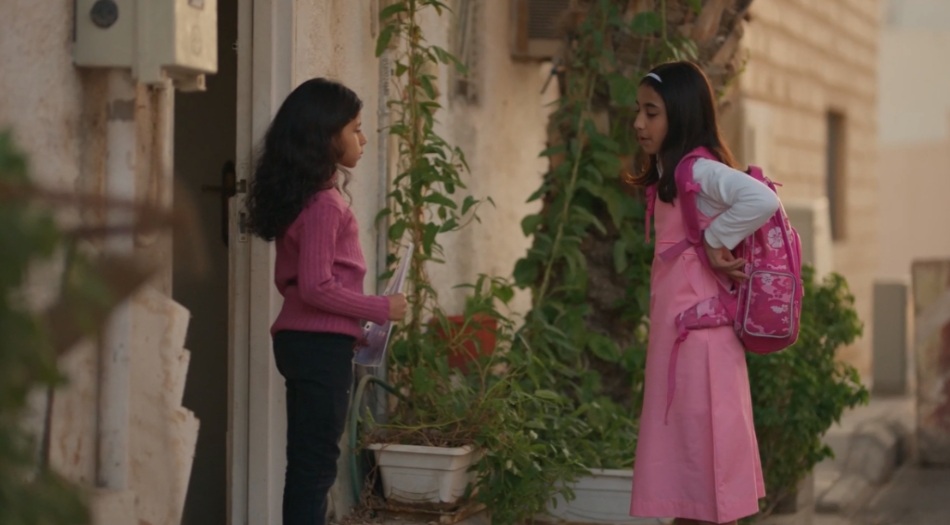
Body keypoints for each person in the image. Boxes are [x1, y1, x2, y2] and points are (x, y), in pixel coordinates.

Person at [245, 78, 408, 525]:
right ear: (325, 136)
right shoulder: (324, 205)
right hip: (318, 348)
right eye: (355, 128)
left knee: (307, 463)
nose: (363, 138)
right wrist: (381, 308)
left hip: (306, 342)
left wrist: (356, 328)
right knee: (315, 468)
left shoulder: (310, 198)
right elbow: (317, 287)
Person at [628, 61, 779, 525]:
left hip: (702, 351)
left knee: (706, 488)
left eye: (652, 112)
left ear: (680, 114)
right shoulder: (676, 175)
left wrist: (714, 241)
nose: (638, 123)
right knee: (693, 487)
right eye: (638, 111)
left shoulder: (699, 170)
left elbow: (762, 199)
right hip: (684, 347)